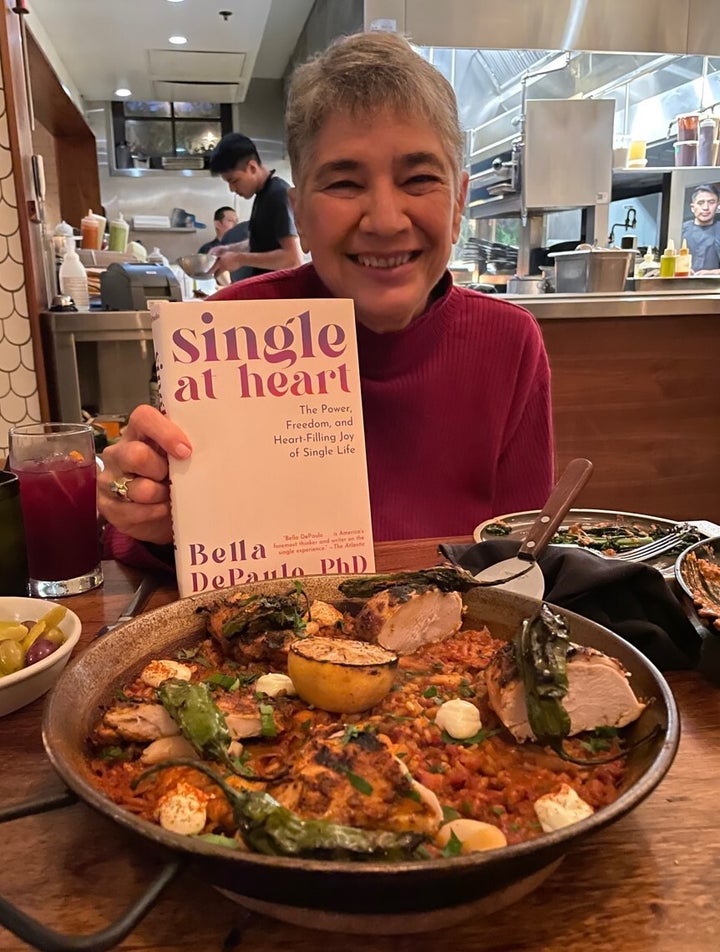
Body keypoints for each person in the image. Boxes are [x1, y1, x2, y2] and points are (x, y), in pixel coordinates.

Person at [98, 31, 554, 566]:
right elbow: (138, 548)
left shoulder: (508, 342)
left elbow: (525, 555)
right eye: (343, 184)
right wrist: (145, 509)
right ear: (301, 216)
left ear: (458, 204)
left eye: (420, 178)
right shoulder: (226, 331)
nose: (385, 220)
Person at [207, 132, 303, 278]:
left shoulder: (277, 194)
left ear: (252, 167)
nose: (232, 189)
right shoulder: (263, 195)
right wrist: (227, 249)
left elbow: (292, 258)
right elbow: (259, 244)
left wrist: (239, 259)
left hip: (282, 295)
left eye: (234, 181)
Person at [681, 184, 720, 273]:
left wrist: (713, 273)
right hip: (682, 283)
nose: (705, 208)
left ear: (717, 205)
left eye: (711, 202)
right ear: (692, 207)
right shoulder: (680, 230)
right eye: (700, 203)